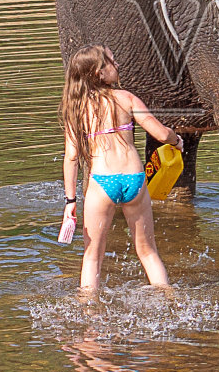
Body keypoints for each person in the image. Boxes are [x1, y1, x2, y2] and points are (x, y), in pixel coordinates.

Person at [60, 45, 182, 294]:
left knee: (92, 255)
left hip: (102, 183)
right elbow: (160, 133)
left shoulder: (77, 109)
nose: (118, 66)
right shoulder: (127, 98)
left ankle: (88, 317)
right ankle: (169, 300)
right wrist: (176, 140)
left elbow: (71, 158)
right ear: (99, 73)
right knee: (148, 252)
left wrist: (70, 201)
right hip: (135, 181)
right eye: (112, 62)